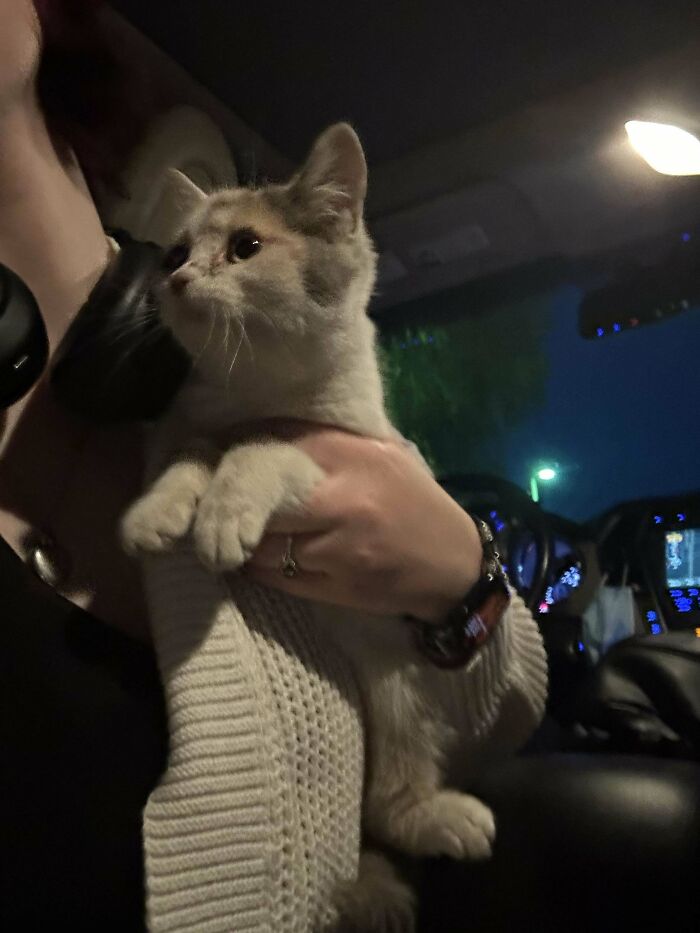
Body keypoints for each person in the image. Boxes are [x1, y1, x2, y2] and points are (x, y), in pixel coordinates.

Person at [0, 2, 546, 930]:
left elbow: (512, 702)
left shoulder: (243, 374)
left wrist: (462, 578)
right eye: (186, 253)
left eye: (237, 247)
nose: (190, 271)